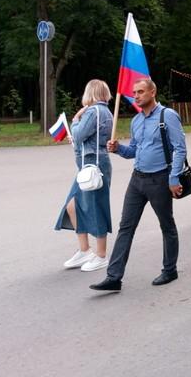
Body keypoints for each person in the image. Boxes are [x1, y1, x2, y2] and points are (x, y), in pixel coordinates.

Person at [90, 78, 186, 292]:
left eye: (141, 91)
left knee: (166, 225)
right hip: (137, 179)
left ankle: (170, 269)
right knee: (126, 226)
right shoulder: (136, 121)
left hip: (160, 179)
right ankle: (114, 277)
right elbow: (133, 150)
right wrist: (117, 149)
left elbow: (180, 148)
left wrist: (173, 178)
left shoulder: (167, 116)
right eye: (135, 92)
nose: (136, 95)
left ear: (153, 92)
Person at [56, 79, 114, 272]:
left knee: (96, 207)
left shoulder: (92, 111)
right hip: (89, 164)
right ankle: (85, 250)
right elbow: (86, 138)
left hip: (93, 165)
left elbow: (80, 135)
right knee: (72, 205)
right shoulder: (104, 111)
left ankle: (101, 255)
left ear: (90, 93)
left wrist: (74, 122)